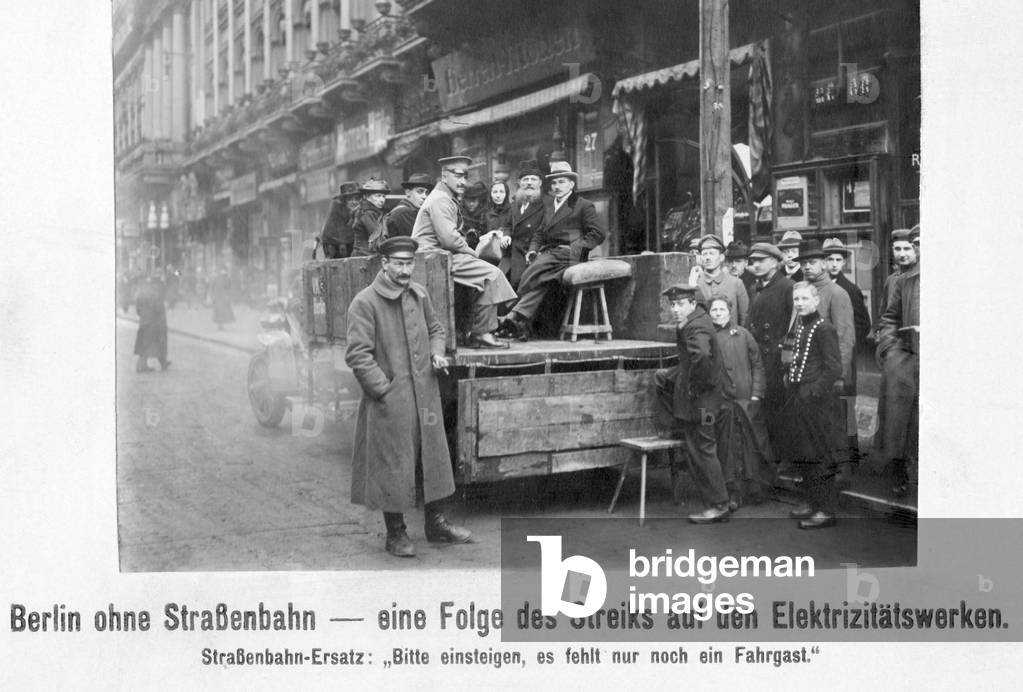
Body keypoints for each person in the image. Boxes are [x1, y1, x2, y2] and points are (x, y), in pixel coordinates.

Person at [345, 236, 472, 557]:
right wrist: (383, 391)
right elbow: (358, 354)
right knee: (394, 466)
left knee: (431, 459)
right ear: (384, 264)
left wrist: (437, 353)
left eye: (409, 264)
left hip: (425, 395)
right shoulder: (365, 302)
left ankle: (436, 524)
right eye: (399, 264)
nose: (405, 271)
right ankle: (396, 533)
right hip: (391, 401)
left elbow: (436, 329)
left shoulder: (419, 293)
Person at [412, 155, 516, 349]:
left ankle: (474, 330)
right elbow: (450, 239)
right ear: (444, 176)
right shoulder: (440, 200)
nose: (462, 181)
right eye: (457, 176)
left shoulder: (444, 197)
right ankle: (482, 333)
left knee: (483, 275)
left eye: (465, 176)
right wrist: (474, 253)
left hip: (437, 256)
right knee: (491, 275)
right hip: (435, 257)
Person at [497, 161, 606, 341]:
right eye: (554, 183)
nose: (557, 186)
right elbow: (540, 233)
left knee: (534, 270)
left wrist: (576, 248)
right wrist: (532, 250)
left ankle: (512, 310)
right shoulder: (549, 206)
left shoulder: (582, 204)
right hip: (553, 256)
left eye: (561, 182)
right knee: (543, 280)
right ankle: (518, 319)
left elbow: (598, 233)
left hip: (570, 254)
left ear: (571, 184)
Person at [653, 284, 731, 524]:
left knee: (703, 450)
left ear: (692, 303)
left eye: (680, 304)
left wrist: (693, 388)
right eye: (672, 304)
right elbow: (692, 362)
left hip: (702, 405)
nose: (675, 309)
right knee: (702, 448)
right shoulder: (696, 320)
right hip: (705, 402)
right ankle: (718, 502)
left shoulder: (695, 325)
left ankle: (718, 505)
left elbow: (703, 359)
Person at [783, 282, 842, 529]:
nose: (800, 303)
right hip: (799, 398)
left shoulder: (823, 328)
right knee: (803, 452)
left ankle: (825, 510)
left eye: (805, 298)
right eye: (796, 299)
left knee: (818, 454)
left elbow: (834, 368)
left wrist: (815, 392)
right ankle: (811, 501)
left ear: (816, 301)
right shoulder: (800, 326)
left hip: (815, 402)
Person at [708, 296, 773, 509]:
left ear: (730, 311)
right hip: (723, 404)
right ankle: (733, 492)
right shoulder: (707, 338)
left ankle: (755, 488)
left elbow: (758, 366)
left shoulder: (744, 335)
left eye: (721, 309)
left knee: (752, 445)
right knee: (728, 448)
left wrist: (756, 395)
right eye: (714, 310)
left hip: (747, 402)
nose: (718, 313)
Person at [876, 226, 920, 497]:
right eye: (911, 244)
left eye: (913, 246)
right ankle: (904, 474)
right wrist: (890, 350)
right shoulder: (903, 281)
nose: (910, 251)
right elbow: (889, 317)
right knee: (902, 422)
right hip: (906, 362)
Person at [747, 242, 794, 464]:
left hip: (778, 360)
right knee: (763, 410)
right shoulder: (755, 288)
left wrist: (785, 356)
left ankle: (782, 460)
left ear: (775, 262)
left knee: (779, 411)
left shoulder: (788, 287)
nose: (755, 265)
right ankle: (768, 463)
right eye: (753, 261)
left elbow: (794, 327)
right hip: (759, 359)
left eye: (761, 261)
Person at [503, 160, 545, 288]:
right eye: (525, 179)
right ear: (520, 183)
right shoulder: (515, 203)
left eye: (533, 179)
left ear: (540, 183)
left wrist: (534, 250)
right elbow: (508, 224)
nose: (529, 183)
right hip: (513, 253)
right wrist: (506, 235)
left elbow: (544, 232)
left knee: (526, 287)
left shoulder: (547, 204)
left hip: (532, 253)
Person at [695, 235, 749, 327]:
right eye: (705, 254)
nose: (708, 258)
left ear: (721, 257)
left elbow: (744, 317)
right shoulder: (696, 283)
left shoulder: (736, 283)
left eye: (712, 253)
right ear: (700, 259)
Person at [133, 273, 170, 372]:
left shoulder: (141, 293)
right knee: (154, 344)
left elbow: (137, 309)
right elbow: (158, 309)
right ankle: (141, 366)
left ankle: (162, 363)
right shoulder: (156, 293)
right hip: (155, 324)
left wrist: (143, 316)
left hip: (144, 322)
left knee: (145, 344)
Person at [320, 181, 361, 259]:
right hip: (335, 251)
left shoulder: (359, 212)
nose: (354, 202)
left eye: (356, 199)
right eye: (350, 199)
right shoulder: (336, 213)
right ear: (344, 201)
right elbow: (337, 234)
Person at [385, 173, 432, 238]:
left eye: (427, 193)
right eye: (420, 191)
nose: (424, 196)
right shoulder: (404, 212)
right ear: (408, 192)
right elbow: (418, 240)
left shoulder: (407, 210)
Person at [352, 177, 389, 256]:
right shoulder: (367, 213)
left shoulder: (374, 212)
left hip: (369, 254)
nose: (382, 200)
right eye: (378, 196)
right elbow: (377, 238)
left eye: (383, 196)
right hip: (364, 255)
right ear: (367, 196)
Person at [460, 181, 489, 248]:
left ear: (479, 201)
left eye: (474, 201)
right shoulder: (459, 215)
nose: (471, 204)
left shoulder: (485, 215)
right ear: (464, 201)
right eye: (468, 201)